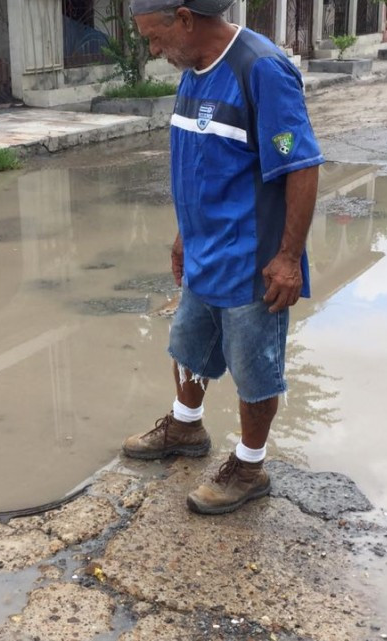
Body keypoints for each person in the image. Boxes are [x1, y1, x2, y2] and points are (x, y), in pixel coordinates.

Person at [122, 0, 324, 515]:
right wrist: (184, 234)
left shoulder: (260, 70)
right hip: (203, 251)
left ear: (185, 18)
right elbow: (202, 162)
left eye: (156, 37)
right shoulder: (194, 71)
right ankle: (186, 428)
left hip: (252, 260)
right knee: (188, 346)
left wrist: (287, 258)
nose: (154, 50)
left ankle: (250, 466)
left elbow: (301, 165)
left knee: (255, 368)